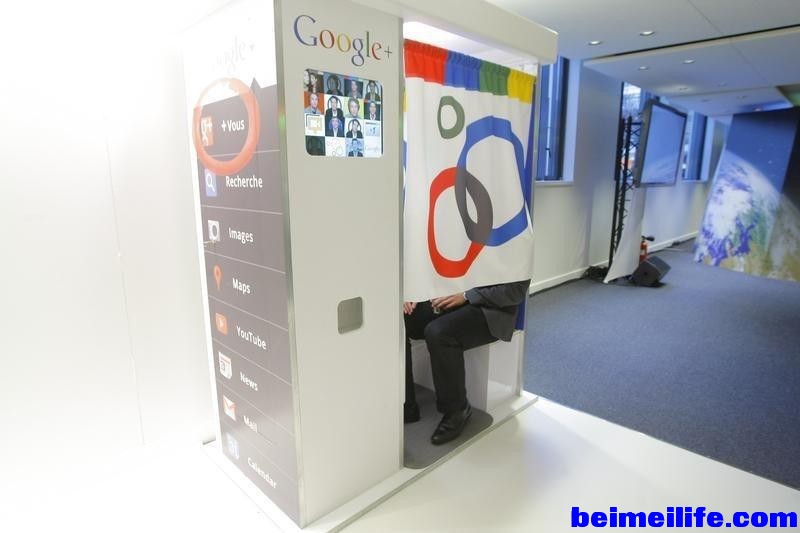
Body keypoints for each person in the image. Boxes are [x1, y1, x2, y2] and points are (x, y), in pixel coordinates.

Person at [403, 279, 530, 445]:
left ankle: (457, 409)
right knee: (400, 320)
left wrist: (466, 296)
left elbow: (516, 291)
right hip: (448, 294)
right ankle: (405, 404)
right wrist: (415, 293)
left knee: (438, 333)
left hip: (491, 309)